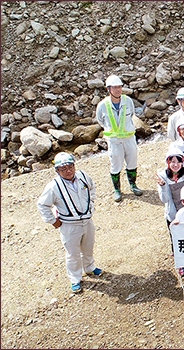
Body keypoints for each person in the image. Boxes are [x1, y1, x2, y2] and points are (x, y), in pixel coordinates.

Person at [37, 152, 103, 294]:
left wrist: (91, 203)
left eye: (70, 167)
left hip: (87, 220)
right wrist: (53, 221)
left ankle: (90, 267)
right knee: (72, 253)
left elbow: (92, 187)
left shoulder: (83, 176)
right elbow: (42, 205)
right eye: (64, 169)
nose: (68, 171)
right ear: (57, 171)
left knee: (88, 246)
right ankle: (75, 278)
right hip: (69, 225)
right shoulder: (53, 187)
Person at [96, 74, 142, 202]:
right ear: (108, 89)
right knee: (116, 165)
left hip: (129, 138)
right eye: (114, 88)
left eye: (120, 87)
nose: (118, 90)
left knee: (132, 161)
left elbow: (132, 114)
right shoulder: (102, 105)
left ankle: (133, 185)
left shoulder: (128, 101)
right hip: (114, 140)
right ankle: (117, 190)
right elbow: (100, 120)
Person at [155, 147, 184, 276]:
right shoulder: (162, 176)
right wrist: (163, 186)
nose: (176, 165)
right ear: (168, 162)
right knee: (176, 239)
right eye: (172, 162)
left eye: (178, 161)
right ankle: (182, 264)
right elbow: (164, 199)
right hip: (173, 212)